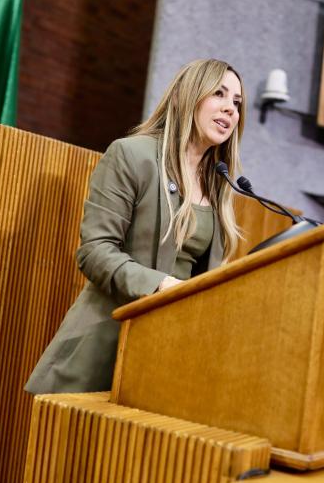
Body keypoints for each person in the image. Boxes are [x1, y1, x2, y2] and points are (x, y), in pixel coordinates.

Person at [25, 58, 246, 394]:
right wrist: (162, 286)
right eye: (219, 93)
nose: (230, 109)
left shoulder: (218, 184)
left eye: (237, 102)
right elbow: (95, 252)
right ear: (185, 96)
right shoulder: (133, 155)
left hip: (167, 363)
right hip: (105, 346)